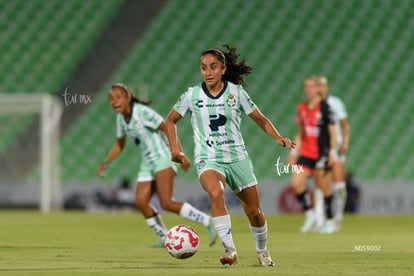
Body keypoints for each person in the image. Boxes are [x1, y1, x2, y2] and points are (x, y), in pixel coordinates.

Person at [165, 45, 295, 267]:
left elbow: (260, 119)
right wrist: (175, 149)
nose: (207, 72)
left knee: (254, 212)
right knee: (216, 192)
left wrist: (277, 136)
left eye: (213, 67)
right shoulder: (191, 95)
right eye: (203, 68)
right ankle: (230, 250)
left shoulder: (236, 93)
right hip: (208, 158)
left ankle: (262, 251)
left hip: (237, 159)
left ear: (223, 69)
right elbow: (170, 121)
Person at [97, 83, 216, 247]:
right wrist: (106, 162)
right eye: (111, 99)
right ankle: (165, 237)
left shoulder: (142, 112)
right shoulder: (121, 119)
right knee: (140, 201)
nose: (114, 101)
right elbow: (119, 144)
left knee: (166, 202)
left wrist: (178, 152)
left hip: (163, 158)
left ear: (128, 97)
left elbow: (168, 126)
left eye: (118, 97)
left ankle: (207, 220)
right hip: (147, 163)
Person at [287, 76, 337, 234]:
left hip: (322, 154)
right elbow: (301, 133)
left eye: (311, 87)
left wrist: (332, 152)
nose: (308, 89)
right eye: (306, 87)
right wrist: (294, 151)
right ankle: (310, 214)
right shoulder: (302, 107)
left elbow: (332, 132)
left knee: (324, 187)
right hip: (306, 154)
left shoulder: (325, 108)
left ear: (317, 88)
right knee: (296, 183)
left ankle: (329, 220)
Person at [315, 76, 350, 229]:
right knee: (321, 185)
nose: (320, 88)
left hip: (335, 147)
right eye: (317, 86)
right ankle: (321, 218)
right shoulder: (313, 106)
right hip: (319, 148)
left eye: (322, 85)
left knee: (339, 185)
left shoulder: (335, 103)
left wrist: (345, 142)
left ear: (326, 87)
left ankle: (338, 218)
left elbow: (345, 125)